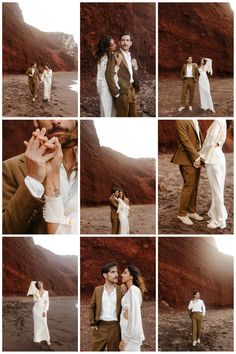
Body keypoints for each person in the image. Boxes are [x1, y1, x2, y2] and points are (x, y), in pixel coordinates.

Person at [3, 120, 78, 234]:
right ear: (35, 121)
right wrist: (33, 180)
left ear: (75, 121)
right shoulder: (10, 168)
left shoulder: (92, 162)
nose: (55, 121)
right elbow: (5, 230)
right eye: (48, 117)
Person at [171, 120, 204, 225]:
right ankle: (181, 214)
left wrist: (203, 155)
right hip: (186, 157)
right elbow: (185, 140)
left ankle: (191, 211)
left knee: (195, 186)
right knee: (189, 186)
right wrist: (196, 157)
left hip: (198, 156)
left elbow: (199, 138)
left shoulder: (195, 120)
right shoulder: (180, 121)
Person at [199, 119, 228, 229]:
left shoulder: (217, 122)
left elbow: (210, 141)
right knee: (219, 190)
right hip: (220, 156)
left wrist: (201, 154)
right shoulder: (224, 122)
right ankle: (217, 216)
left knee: (216, 191)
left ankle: (219, 220)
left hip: (213, 159)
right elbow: (221, 140)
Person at [89, 262, 123, 351]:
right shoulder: (98, 290)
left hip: (115, 328)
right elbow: (92, 307)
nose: (116, 275)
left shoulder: (121, 290)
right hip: (100, 327)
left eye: (116, 272)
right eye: (112, 272)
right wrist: (92, 323)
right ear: (105, 275)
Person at [105, 31, 140, 117]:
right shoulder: (115, 55)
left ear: (130, 43)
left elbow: (129, 72)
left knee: (133, 116)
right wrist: (116, 93)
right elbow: (109, 75)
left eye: (127, 40)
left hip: (132, 90)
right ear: (119, 42)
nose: (125, 42)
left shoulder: (130, 56)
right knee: (122, 116)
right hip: (122, 92)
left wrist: (135, 68)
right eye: (123, 40)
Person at [119, 265, 146, 351]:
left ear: (131, 276)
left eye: (125, 273)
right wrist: (125, 292)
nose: (121, 274)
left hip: (130, 336)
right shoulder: (131, 290)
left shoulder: (133, 290)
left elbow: (133, 316)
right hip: (127, 332)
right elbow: (128, 307)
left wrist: (125, 339)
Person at [96, 35, 122, 117]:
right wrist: (118, 64)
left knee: (108, 109)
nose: (115, 45)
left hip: (104, 85)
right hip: (105, 87)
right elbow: (109, 74)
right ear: (107, 48)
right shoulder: (105, 59)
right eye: (112, 45)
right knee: (107, 111)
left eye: (114, 43)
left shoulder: (106, 56)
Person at [27, 281, 51, 346]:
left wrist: (45, 311)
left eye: (41, 283)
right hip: (36, 310)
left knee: (44, 324)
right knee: (37, 325)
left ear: (43, 284)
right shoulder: (35, 292)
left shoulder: (46, 292)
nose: (40, 284)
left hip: (42, 310)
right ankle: (37, 338)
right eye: (38, 284)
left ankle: (47, 339)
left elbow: (47, 302)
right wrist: (36, 282)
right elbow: (32, 283)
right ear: (37, 285)